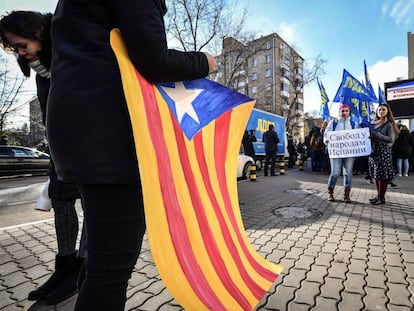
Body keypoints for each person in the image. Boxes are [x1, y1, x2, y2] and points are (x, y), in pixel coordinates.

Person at [46, 1, 217, 310]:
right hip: (110, 135)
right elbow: (154, 60)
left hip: (82, 129)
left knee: (100, 262)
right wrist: (204, 62)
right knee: (110, 272)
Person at [0, 11, 87, 305]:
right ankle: (66, 266)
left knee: (92, 200)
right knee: (61, 198)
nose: (21, 54)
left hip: (90, 141)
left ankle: (85, 268)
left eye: (22, 45)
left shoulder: (70, 45)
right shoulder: (41, 68)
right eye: (16, 49)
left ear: (38, 31)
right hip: (61, 145)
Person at [323, 104, 358, 203]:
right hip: (336, 152)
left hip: (349, 153)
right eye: (343, 111)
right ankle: (330, 192)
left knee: (348, 173)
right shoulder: (333, 122)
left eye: (346, 111)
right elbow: (326, 133)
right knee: (335, 173)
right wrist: (326, 140)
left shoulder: (354, 123)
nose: (345, 113)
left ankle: (346, 195)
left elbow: (359, 135)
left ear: (349, 112)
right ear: (339, 112)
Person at [368, 103, 399, 205]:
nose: (381, 112)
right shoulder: (374, 123)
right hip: (374, 152)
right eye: (379, 110)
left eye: (383, 110)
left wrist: (376, 134)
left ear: (387, 111)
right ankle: (378, 196)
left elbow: (391, 139)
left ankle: (382, 197)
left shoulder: (388, 124)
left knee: (383, 176)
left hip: (384, 152)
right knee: (377, 175)